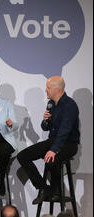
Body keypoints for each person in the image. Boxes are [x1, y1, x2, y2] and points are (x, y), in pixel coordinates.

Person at [17, 76, 80, 204]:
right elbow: (45, 128)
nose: (46, 90)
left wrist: (54, 150)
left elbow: (64, 130)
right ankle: (43, 188)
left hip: (69, 143)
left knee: (51, 160)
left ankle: (55, 191)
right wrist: (46, 120)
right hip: (54, 140)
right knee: (23, 156)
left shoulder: (69, 105)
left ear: (57, 89)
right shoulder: (51, 104)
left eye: (48, 88)